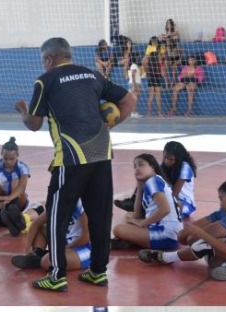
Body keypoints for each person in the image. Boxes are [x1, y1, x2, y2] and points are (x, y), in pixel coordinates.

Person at [15, 37, 136, 293]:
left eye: (43, 60)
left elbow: (35, 124)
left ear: (49, 59)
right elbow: (129, 101)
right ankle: (98, 272)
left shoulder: (45, 80)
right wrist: (110, 125)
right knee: (100, 216)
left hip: (70, 158)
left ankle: (57, 276)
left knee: (57, 217)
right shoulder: (92, 75)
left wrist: (23, 111)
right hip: (101, 153)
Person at [112, 154, 182, 251]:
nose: (137, 169)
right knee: (129, 215)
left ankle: (125, 240)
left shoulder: (153, 181)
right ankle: (126, 240)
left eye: (141, 165)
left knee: (118, 229)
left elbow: (165, 209)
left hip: (165, 234)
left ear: (152, 167)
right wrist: (139, 186)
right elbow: (137, 214)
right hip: (170, 233)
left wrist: (142, 223)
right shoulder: (151, 182)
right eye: (135, 167)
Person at [0, 136, 30, 234]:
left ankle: (11, 212)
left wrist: (8, 199)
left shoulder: (23, 167)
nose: (8, 162)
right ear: (1, 154)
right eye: (5, 158)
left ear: (17, 155)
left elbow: (22, 188)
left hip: (17, 200)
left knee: (15, 182)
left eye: (11, 159)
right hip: (0, 200)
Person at [161, 141, 197, 218]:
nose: (167, 161)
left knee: (172, 209)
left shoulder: (185, 167)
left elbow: (175, 193)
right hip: (167, 198)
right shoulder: (162, 166)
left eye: (171, 159)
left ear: (178, 159)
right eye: (165, 158)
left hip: (184, 202)